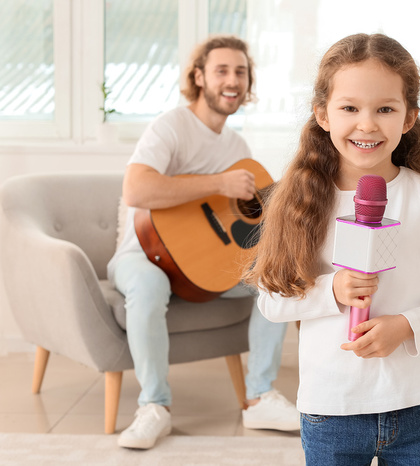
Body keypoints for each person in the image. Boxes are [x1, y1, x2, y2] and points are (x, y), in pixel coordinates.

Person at [244, 33, 420, 465]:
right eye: (350, 108)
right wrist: (331, 289)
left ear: (409, 118)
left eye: (385, 109)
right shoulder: (299, 200)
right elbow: (272, 301)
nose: (367, 124)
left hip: (419, 403)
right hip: (331, 407)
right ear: (323, 114)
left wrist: (407, 325)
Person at [107, 35, 299, 450]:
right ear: (199, 77)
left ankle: (260, 396)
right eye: (222, 70)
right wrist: (218, 183)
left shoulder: (238, 148)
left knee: (274, 276)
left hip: (201, 267)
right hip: (143, 254)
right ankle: (154, 407)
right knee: (148, 285)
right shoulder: (171, 126)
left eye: (241, 72)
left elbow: (244, 234)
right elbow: (136, 190)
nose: (233, 80)